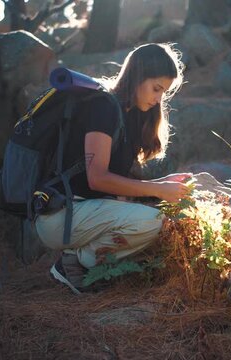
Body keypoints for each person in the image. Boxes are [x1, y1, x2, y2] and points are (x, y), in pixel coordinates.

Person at [34, 43, 191, 293]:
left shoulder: (128, 113)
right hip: (60, 216)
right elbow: (97, 178)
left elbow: (120, 184)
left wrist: (161, 186)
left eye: (165, 92)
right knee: (151, 221)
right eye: (156, 88)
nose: (159, 98)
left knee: (146, 213)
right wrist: (158, 190)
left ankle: (83, 264)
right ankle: (75, 264)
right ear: (138, 77)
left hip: (82, 212)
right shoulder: (103, 107)